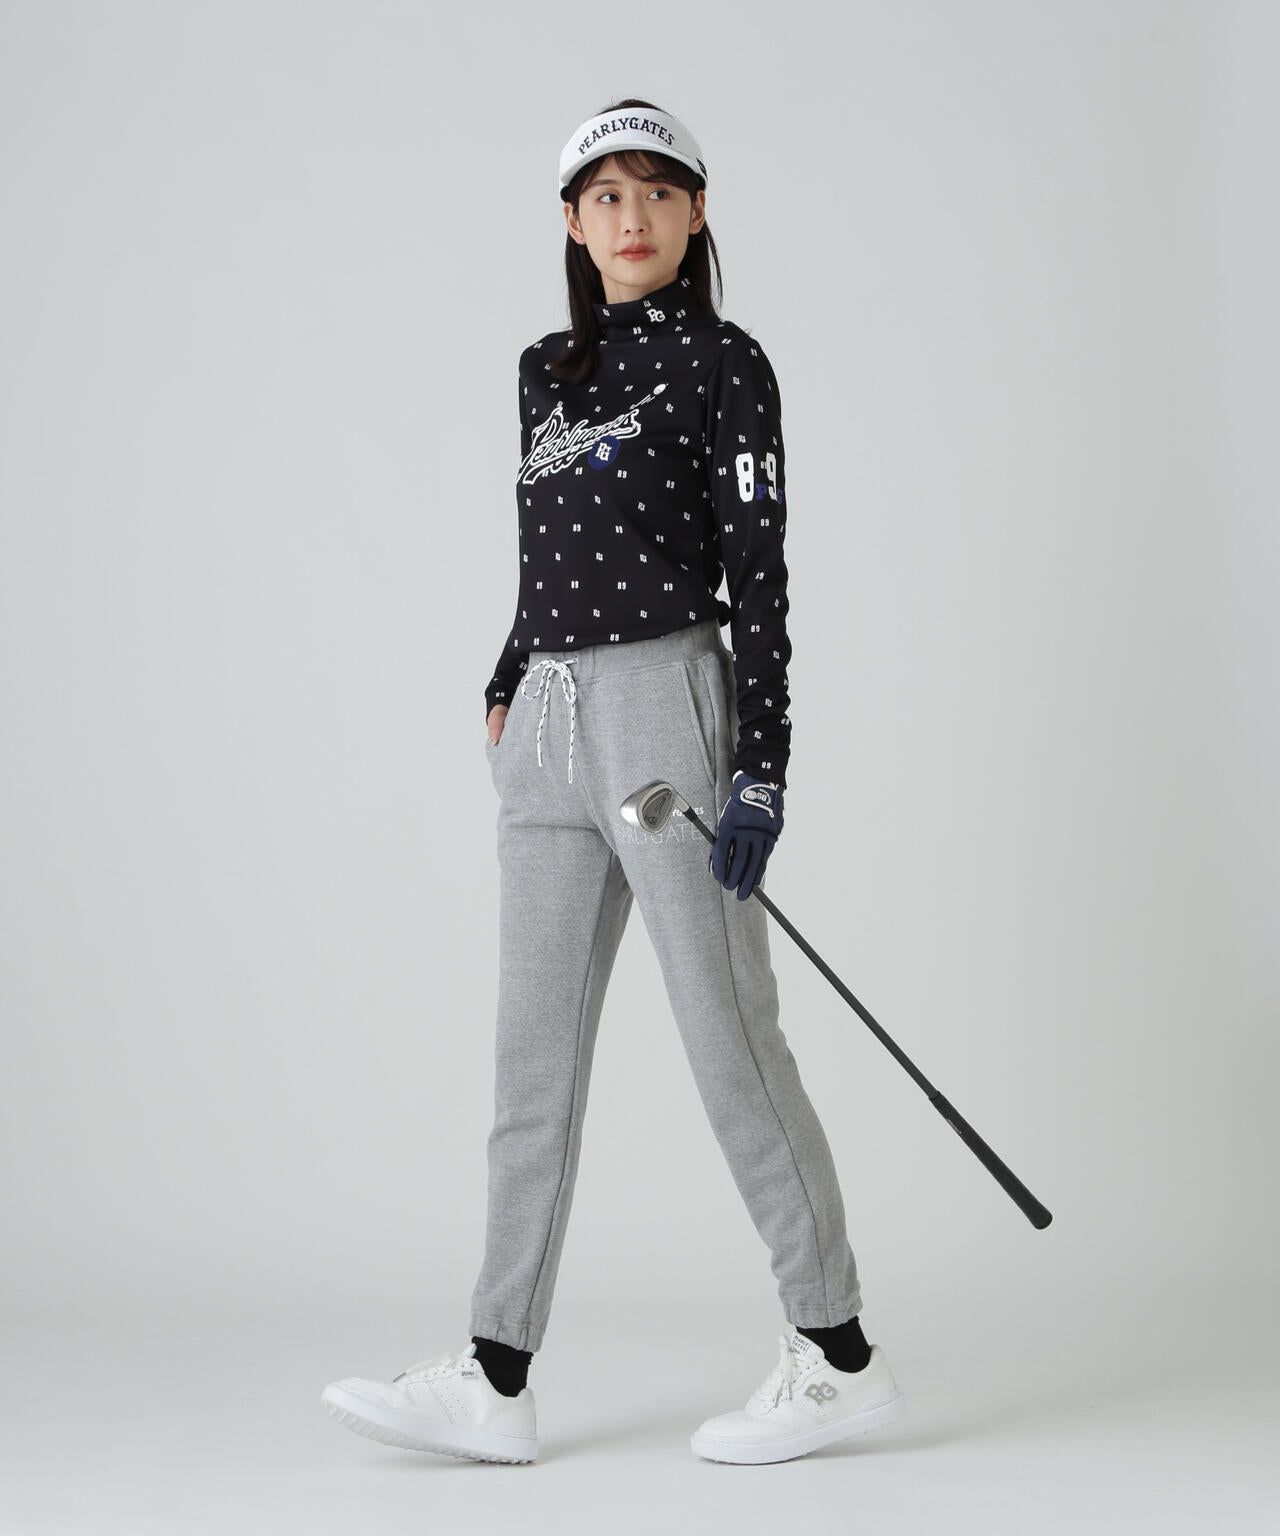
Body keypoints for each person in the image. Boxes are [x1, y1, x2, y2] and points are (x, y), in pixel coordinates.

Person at [321, 98, 905, 1467]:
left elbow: (758, 575)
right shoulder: (546, 370)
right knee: (530, 1060)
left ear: (695, 214)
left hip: (665, 711)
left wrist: (762, 770)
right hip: (547, 722)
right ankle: (496, 1372)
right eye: (604, 196)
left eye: (656, 191)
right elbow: (553, 545)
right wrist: (508, 670)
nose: (630, 217)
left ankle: (835, 1354)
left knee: (729, 1040)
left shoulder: (726, 364)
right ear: (574, 225)